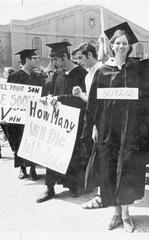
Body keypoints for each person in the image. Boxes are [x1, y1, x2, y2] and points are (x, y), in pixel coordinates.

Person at [81, 22, 147, 233]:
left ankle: (127, 215)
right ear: (111, 46)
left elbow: (144, 98)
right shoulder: (102, 71)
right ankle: (116, 213)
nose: (121, 46)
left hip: (130, 128)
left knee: (126, 169)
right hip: (107, 128)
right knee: (109, 168)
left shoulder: (136, 68)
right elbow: (93, 103)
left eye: (124, 43)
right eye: (117, 43)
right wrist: (92, 127)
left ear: (129, 47)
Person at [36, 41, 88, 203]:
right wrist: (48, 99)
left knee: (72, 154)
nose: (52, 64)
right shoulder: (57, 74)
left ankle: (73, 186)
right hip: (56, 122)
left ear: (65, 57)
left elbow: (84, 99)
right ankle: (49, 187)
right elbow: (51, 93)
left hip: (74, 122)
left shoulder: (81, 73)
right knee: (51, 152)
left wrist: (60, 99)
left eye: (55, 60)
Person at [71, 42, 104, 209]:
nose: (79, 62)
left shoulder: (103, 70)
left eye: (80, 58)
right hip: (92, 120)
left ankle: (101, 196)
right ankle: (101, 194)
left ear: (90, 55)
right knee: (96, 157)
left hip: (102, 122)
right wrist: (81, 94)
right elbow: (92, 102)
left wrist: (97, 125)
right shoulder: (87, 75)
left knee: (101, 157)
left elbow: (103, 104)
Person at [7, 49, 43, 180]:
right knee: (19, 140)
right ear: (27, 60)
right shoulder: (14, 76)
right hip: (19, 116)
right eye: (34, 58)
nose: (37, 60)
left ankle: (33, 168)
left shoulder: (39, 76)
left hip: (33, 115)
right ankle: (22, 168)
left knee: (33, 141)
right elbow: (10, 97)